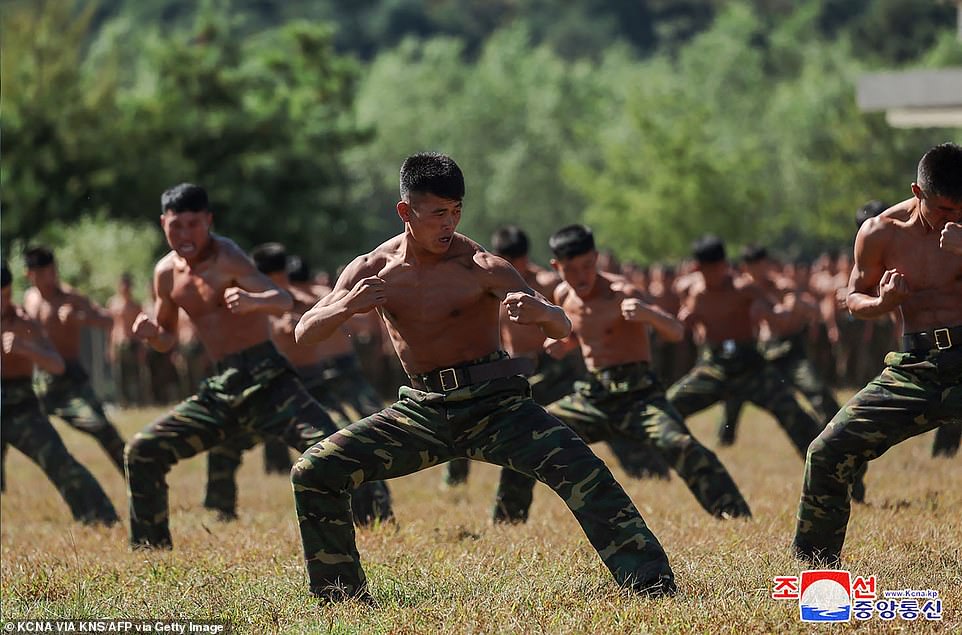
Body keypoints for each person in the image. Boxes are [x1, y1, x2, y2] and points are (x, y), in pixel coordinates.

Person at [291, 152, 676, 603]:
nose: (448, 224)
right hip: (422, 411)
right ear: (405, 212)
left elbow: (561, 327)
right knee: (315, 471)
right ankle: (341, 597)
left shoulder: (480, 265)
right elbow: (305, 333)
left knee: (583, 469)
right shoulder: (371, 270)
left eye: (455, 212)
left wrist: (543, 312)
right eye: (437, 213)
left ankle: (653, 584)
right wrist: (345, 307)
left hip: (498, 406)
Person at [124, 183, 345, 548]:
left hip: (268, 378)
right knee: (143, 450)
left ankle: (375, 516)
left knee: (334, 450)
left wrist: (250, 300)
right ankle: (151, 548)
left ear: (209, 221)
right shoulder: (165, 273)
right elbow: (168, 340)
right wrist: (151, 334)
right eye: (175, 226)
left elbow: (282, 299)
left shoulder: (227, 257)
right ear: (163, 223)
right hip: (223, 385)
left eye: (193, 224)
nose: (184, 235)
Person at [491, 225, 750, 525]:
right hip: (594, 396)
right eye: (571, 269)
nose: (581, 276)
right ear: (556, 267)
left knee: (679, 444)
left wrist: (648, 314)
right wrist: (563, 344)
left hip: (639, 395)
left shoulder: (622, 293)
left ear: (597, 258)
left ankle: (735, 514)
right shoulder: (563, 294)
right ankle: (508, 520)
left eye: (588, 266)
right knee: (528, 438)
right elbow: (582, 333)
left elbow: (676, 332)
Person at [793, 142, 962, 566]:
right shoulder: (879, 233)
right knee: (827, 452)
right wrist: (883, 303)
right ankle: (814, 570)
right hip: (917, 368)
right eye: (943, 209)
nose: (953, 217)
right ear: (916, 193)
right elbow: (853, 298)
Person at [203, 242, 392, 523]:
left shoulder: (306, 301)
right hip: (270, 390)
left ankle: (376, 513)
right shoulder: (253, 303)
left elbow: (341, 321)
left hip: (312, 389)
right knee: (225, 442)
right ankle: (222, 509)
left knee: (345, 444)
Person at [666, 236, 826, 464]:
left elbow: (777, 314)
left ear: (725, 264)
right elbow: (681, 327)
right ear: (697, 268)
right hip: (714, 366)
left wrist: (782, 309)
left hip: (751, 365)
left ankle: (834, 474)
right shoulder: (695, 292)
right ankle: (676, 465)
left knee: (797, 417)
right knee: (667, 409)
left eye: (718, 269)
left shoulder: (744, 288)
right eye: (707, 271)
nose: (713, 276)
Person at [1, 262, 118, 525]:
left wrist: (24, 347)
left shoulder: (22, 322)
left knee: (59, 460)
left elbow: (57, 364)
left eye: (5, 295)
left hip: (20, 406)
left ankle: (100, 517)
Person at [715, 246, 839, 448]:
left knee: (816, 389)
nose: (761, 270)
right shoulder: (740, 290)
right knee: (734, 393)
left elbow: (795, 314)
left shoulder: (781, 286)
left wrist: (793, 308)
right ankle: (725, 438)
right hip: (759, 351)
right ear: (747, 267)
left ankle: (838, 433)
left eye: (764, 264)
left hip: (788, 349)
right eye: (756, 266)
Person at [23, 246, 127, 475]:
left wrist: (81, 318)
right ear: (29, 275)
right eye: (41, 275)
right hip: (40, 379)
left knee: (102, 428)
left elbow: (107, 320)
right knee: (13, 422)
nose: (48, 279)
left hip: (70, 379)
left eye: (52, 272)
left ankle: (137, 475)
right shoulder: (29, 299)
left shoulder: (70, 298)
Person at [107, 273, 146, 407]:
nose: (125, 288)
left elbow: (140, 328)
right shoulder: (113, 304)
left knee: (134, 374)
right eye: (123, 285)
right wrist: (110, 347)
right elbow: (111, 327)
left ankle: (138, 402)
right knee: (120, 375)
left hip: (133, 342)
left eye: (128, 285)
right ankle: (123, 403)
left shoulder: (136, 306)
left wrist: (141, 347)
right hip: (119, 342)